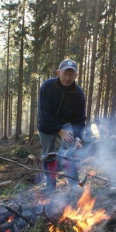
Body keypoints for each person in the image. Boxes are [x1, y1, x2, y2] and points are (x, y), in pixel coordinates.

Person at [37, 59, 86, 190]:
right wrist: (59, 131)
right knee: (49, 154)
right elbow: (44, 114)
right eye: (65, 74)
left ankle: (75, 184)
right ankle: (51, 185)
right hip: (46, 125)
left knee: (70, 152)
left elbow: (80, 119)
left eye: (71, 75)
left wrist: (77, 138)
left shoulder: (78, 93)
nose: (67, 78)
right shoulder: (47, 86)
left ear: (76, 75)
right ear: (58, 72)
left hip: (66, 124)